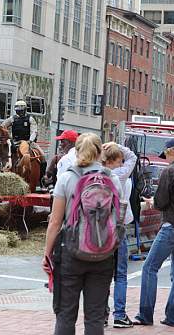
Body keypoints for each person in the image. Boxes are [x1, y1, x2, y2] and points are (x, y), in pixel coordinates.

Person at [43, 133, 122, 335]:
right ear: (100, 153)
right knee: (95, 316)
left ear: (77, 151)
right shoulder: (112, 179)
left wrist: (47, 253)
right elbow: (118, 218)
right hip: (103, 253)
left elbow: (55, 221)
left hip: (71, 253)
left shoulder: (67, 178)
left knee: (66, 314)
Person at [133, 139, 174, 327]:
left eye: (166, 155)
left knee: (149, 268)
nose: (166, 159)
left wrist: (153, 201)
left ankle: (145, 314)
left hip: (172, 226)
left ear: (171, 152)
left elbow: (161, 202)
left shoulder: (169, 172)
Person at [101, 142, 137, 329]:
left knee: (103, 274)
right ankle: (120, 314)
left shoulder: (94, 175)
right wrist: (117, 145)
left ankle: (102, 314)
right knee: (120, 274)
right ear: (114, 160)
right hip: (119, 227)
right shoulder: (120, 175)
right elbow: (133, 157)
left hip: (99, 231)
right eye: (119, 160)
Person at [2, 100, 46, 178]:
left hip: (29, 142)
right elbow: (3, 126)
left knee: (43, 156)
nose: (20, 113)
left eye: (21, 111)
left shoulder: (30, 119)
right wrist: (8, 136)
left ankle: (41, 178)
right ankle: (2, 171)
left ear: (25, 110)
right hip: (15, 142)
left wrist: (30, 140)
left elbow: (34, 131)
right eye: (18, 111)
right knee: (3, 154)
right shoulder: (12, 118)